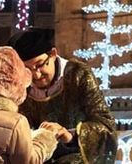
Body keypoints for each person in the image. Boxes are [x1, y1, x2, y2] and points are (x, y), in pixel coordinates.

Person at [8, 28, 117, 164]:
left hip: (76, 153)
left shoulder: (79, 75)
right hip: (37, 155)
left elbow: (105, 125)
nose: (36, 75)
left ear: (53, 54)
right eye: (27, 69)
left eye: (40, 65)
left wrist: (69, 135)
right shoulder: (20, 85)